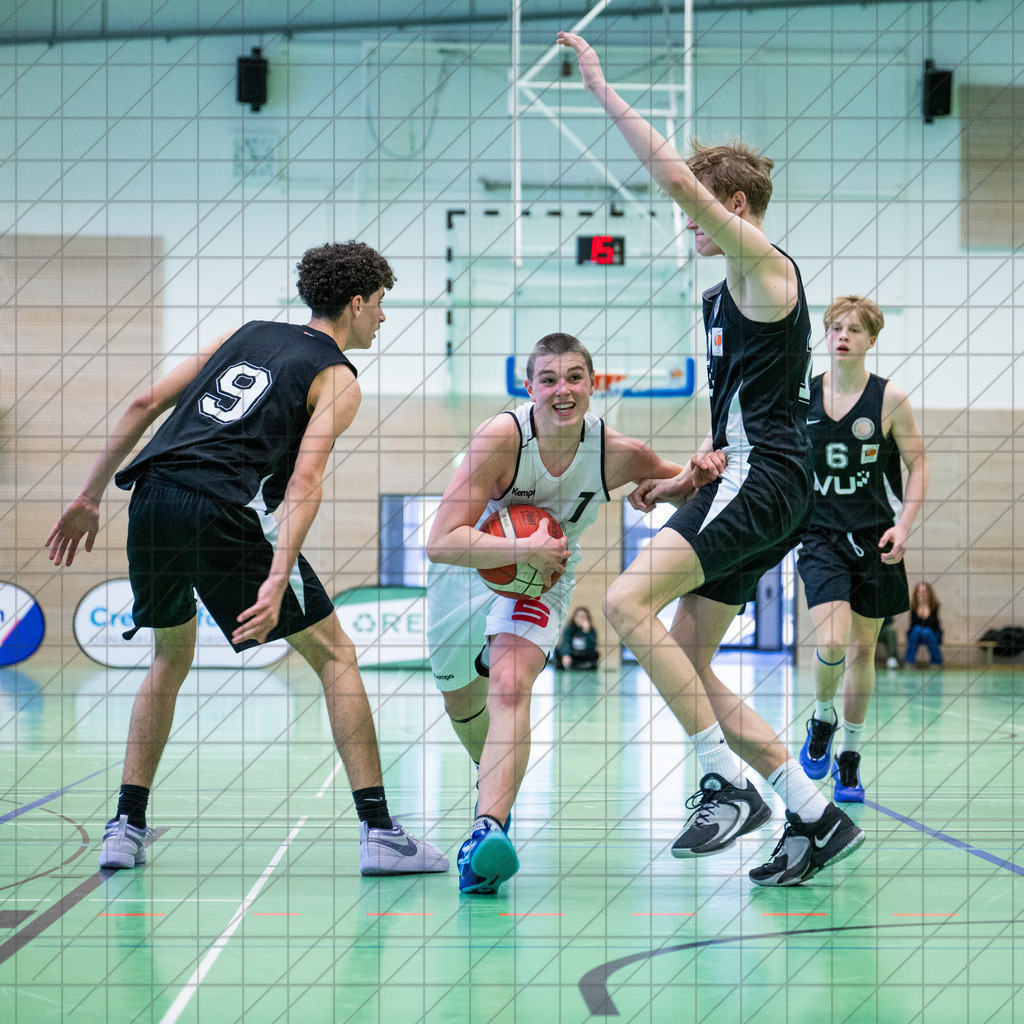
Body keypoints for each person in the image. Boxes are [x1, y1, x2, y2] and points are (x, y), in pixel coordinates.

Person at [558, 32, 865, 887]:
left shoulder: (763, 265)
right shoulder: (722, 294)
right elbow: (745, 405)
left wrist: (606, 92)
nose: (684, 222)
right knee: (684, 667)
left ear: (729, 202)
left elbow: (677, 179)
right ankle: (811, 813)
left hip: (766, 480)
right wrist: (685, 473)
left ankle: (722, 783)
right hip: (744, 474)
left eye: (695, 210)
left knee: (622, 601)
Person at [46, 241, 448, 877]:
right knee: (336, 653)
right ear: (354, 302)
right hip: (217, 510)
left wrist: (88, 496)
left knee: (169, 656)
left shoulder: (248, 331)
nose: (382, 318)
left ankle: (124, 826)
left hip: (150, 498)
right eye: (379, 304)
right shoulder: (338, 379)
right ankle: (380, 833)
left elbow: (143, 404)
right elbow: (306, 483)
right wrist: (279, 574)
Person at [426, 333, 686, 894]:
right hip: (467, 570)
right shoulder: (501, 438)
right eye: (549, 379)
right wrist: (523, 549)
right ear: (529, 388)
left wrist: (691, 477)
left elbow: (675, 483)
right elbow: (441, 541)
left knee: (510, 686)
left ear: (593, 386)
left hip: (544, 579)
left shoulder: (619, 452)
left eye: (574, 378)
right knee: (460, 699)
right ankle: (492, 783)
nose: (562, 390)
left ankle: (486, 829)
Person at [795, 296, 928, 803]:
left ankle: (849, 756)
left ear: (871, 339)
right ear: (825, 337)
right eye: (834, 328)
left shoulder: (889, 399)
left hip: (875, 537)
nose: (841, 335)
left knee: (863, 650)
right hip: (821, 536)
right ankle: (822, 719)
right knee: (832, 641)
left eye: (852, 329)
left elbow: (920, 466)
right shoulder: (802, 396)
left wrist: (906, 524)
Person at [906, 582, 943, 667]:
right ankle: (909, 662)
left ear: (929, 593)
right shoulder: (913, 606)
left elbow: (931, 625)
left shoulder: (934, 606)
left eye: (925, 591)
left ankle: (936, 662)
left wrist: (925, 607)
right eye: (920, 591)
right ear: (916, 593)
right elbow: (914, 624)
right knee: (917, 630)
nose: (922, 594)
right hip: (916, 635)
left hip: (932, 634)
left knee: (926, 631)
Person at [556, 606, 599, 670]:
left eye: (583, 617)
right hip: (573, 654)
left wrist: (586, 631)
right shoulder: (570, 628)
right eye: (578, 616)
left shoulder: (591, 630)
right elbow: (566, 642)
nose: (580, 619)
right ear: (574, 617)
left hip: (584, 655)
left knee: (595, 655)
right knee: (558, 652)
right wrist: (566, 654)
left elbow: (592, 647)